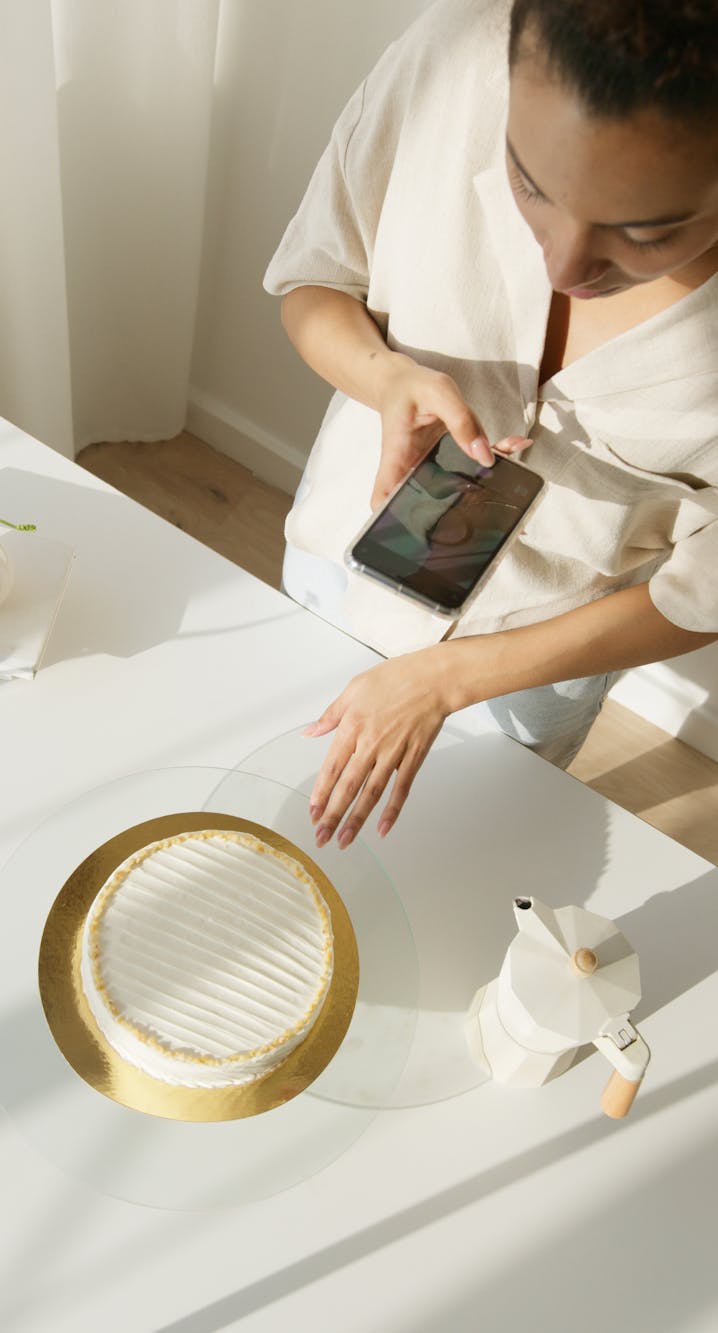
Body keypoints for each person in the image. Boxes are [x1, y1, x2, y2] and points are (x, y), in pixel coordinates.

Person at [263, 0, 718, 851]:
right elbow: (313, 280)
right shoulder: (451, 60)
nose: (563, 263)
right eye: (528, 182)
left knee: (456, 861)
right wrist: (385, 375)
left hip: (539, 662)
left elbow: (704, 590)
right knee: (279, 805)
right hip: (337, 567)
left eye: (646, 231)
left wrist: (450, 680)